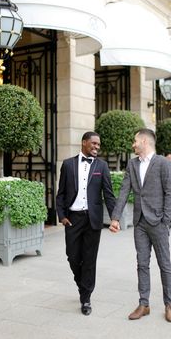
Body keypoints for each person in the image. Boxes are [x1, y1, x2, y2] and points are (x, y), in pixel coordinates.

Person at [109, 128, 171, 322]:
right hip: (139, 222)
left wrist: (166, 221)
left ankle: (169, 304)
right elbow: (124, 191)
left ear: (145, 142)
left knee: (164, 264)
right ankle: (144, 304)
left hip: (158, 222)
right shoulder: (132, 164)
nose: (133, 144)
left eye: (135, 141)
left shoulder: (163, 164)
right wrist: (115, 218)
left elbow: (170, 194)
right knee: (142, 264)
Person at [56, 131, 116, 316]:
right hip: (73, 219)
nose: (97, 147)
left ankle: (86, 297)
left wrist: (115, 218)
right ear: (84, 143)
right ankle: (83, 285)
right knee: (72, 256)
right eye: (94, 143)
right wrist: (62, 216)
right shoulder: (68, 165)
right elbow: (61, 194)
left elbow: (108, 194)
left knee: (89, 260)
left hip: (93, 219)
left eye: (99, 144)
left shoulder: (102, 166)